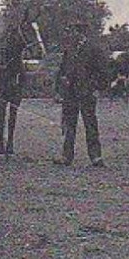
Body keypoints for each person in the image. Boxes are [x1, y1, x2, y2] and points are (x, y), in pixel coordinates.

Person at [53, 20, 108, 168]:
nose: (72, 34)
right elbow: (62, 70)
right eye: (71, 31)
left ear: (81, 33)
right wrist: (58, 90)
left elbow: (103, 71)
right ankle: (66, 156)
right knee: (69, 125)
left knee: (90, 124)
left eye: (74, 31)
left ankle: (96, 156)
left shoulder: (94, 49)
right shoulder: (69, 49)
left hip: (87, 93)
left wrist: (97, 89)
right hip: (70, 94)